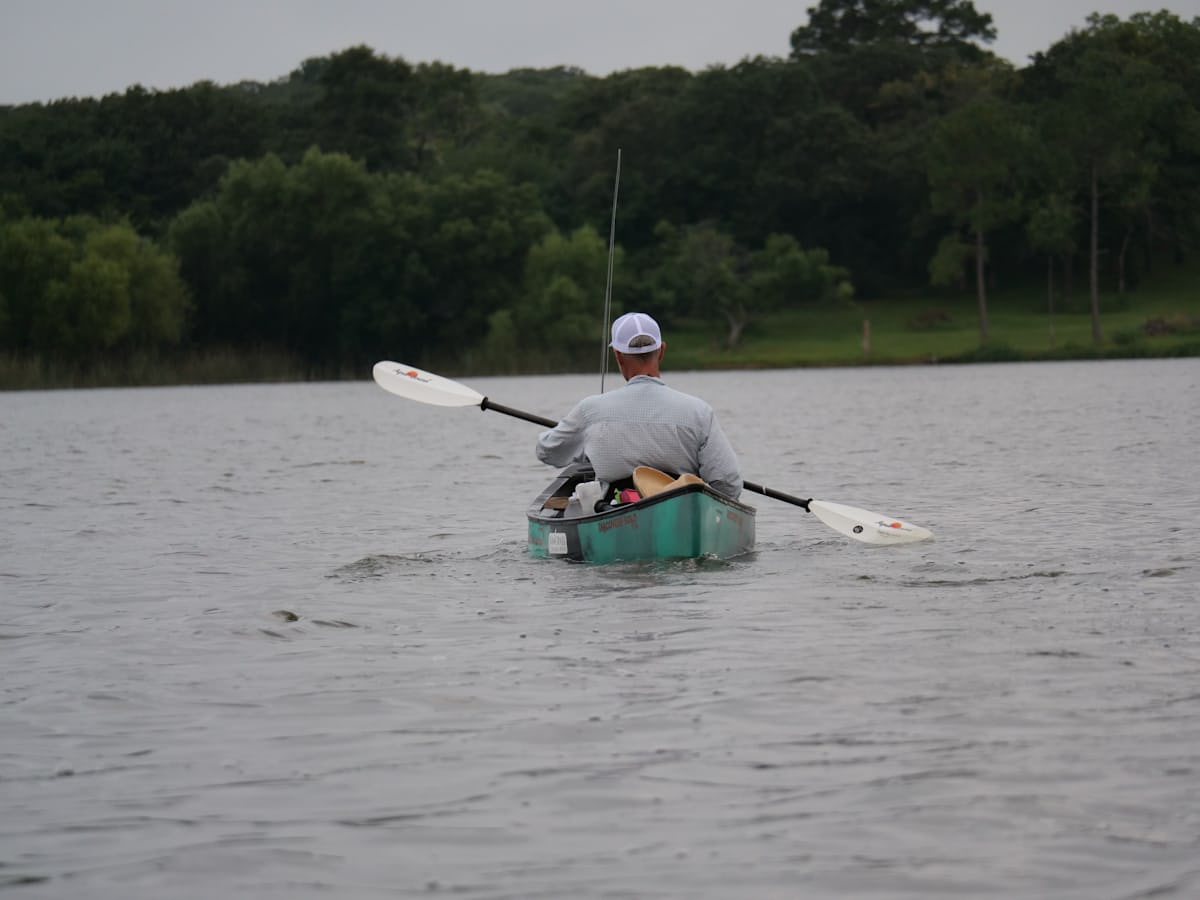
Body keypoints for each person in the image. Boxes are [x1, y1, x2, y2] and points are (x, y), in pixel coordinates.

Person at [536, 312, 743, 499]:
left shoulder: (589, 410)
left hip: (614, 512)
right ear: (661, 351)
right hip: (681, 510)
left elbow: (547, 451)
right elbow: (728, 484)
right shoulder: (699, 412)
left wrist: (587, 446)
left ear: (618, 355)